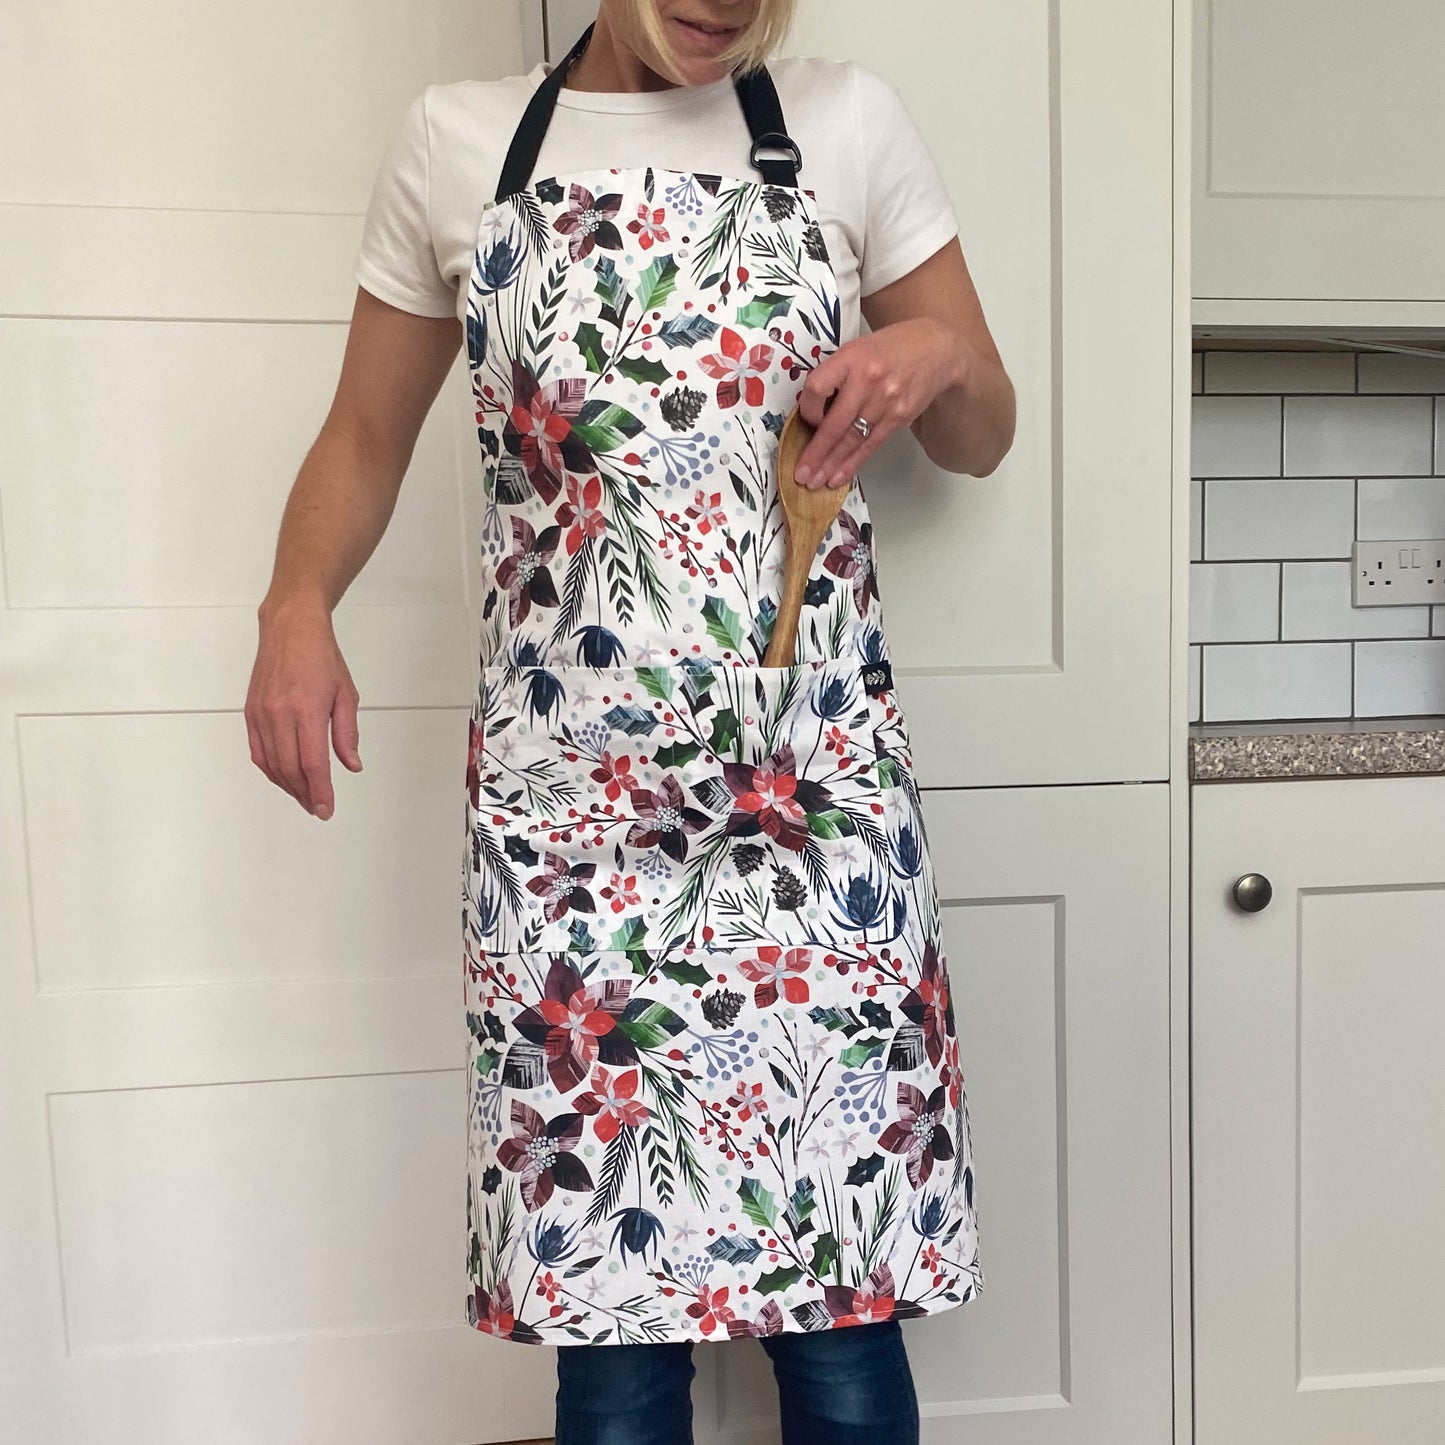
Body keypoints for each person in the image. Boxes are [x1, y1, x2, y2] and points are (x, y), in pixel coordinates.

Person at [247, 2, 1015, 1441]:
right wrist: (295, 603)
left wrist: (937, 360)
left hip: (809, 812)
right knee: (607, 1332)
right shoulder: (457, 144)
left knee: (841, 1328)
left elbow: (981, 435)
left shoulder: (847, 124)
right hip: (572, 822)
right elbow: (363, 434)